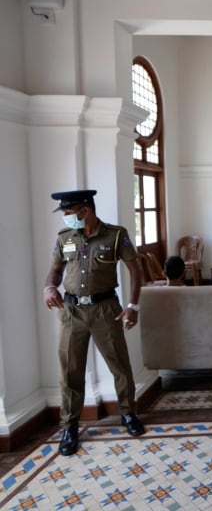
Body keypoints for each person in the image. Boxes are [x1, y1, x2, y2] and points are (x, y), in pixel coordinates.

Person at [43, 189, 146, 457]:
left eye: (68, 213)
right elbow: (55, 271)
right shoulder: (64, 238)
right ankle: (70, 427)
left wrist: (132, 305)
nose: (66, 218)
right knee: (70, 371)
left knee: (119, 365)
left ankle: (128, 414)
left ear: (84, 210)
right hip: (71, 311)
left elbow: (135, 270)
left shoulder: (116, 235)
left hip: (105, 310)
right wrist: (49, 288)